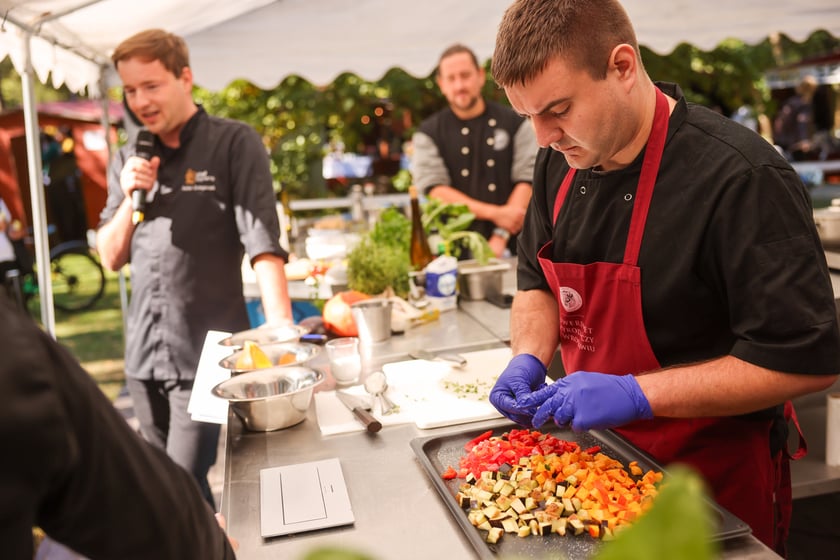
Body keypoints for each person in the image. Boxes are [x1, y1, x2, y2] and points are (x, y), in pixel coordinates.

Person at [486, 0, 840, 555]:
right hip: (592, 472)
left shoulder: (741, 177)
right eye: (527, 116)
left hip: (709, 491)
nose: (543, 136)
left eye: (557, 108)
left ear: (623, 67)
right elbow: (535, 281)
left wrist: (634, 393)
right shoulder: (560, 161)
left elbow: (806, 359)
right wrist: (526, 356)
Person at [97, 29, 293, 508]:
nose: (139, 100)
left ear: (185, 77)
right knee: (172, 487)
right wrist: (128, 197)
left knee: (180, 484)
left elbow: (263, 242)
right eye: (129, 89)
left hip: (210, 356)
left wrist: (282, 329)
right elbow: (109, 255)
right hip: (143, 359)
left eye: (151, 85)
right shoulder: (128, 156)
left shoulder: (233, 143)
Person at [0, 292, 237, 559]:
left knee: (189, 471)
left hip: (199, 364)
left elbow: (136, 498)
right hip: (145, 364)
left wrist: (205, 541)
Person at [410, 44, 538, 258]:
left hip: (517, 248)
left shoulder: (516, 122)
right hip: (454, 250)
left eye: (465, 75)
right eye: (451, 79)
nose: (459, 85)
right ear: (441, 84)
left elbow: (529, 178)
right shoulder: (428, 133)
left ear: (480, 76)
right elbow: (435, 190)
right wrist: (496, 214)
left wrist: (500, 234)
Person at [773, 75, 819, 161]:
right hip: (797, 145)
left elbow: (780, 121)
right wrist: (804, 140)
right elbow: (802, 122)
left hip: (783, 141)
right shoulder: (804, 104)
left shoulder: (791, 102)